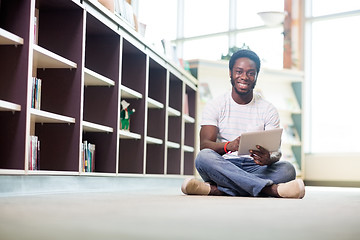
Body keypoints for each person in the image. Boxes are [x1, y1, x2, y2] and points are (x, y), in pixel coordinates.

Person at [181, 49, 305, 199]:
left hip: (256, 167)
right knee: (203, 157)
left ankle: (215, 190)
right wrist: (229, 146)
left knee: (287, 169)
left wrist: (269, 158)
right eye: (239, 71)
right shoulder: (216, 105)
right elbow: (205, 145)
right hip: (224, 165)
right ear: (230, 73)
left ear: (256, 76)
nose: (244, 77)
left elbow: (276, 152)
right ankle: (271, 190)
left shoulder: (268, 109)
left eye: (250, 73)